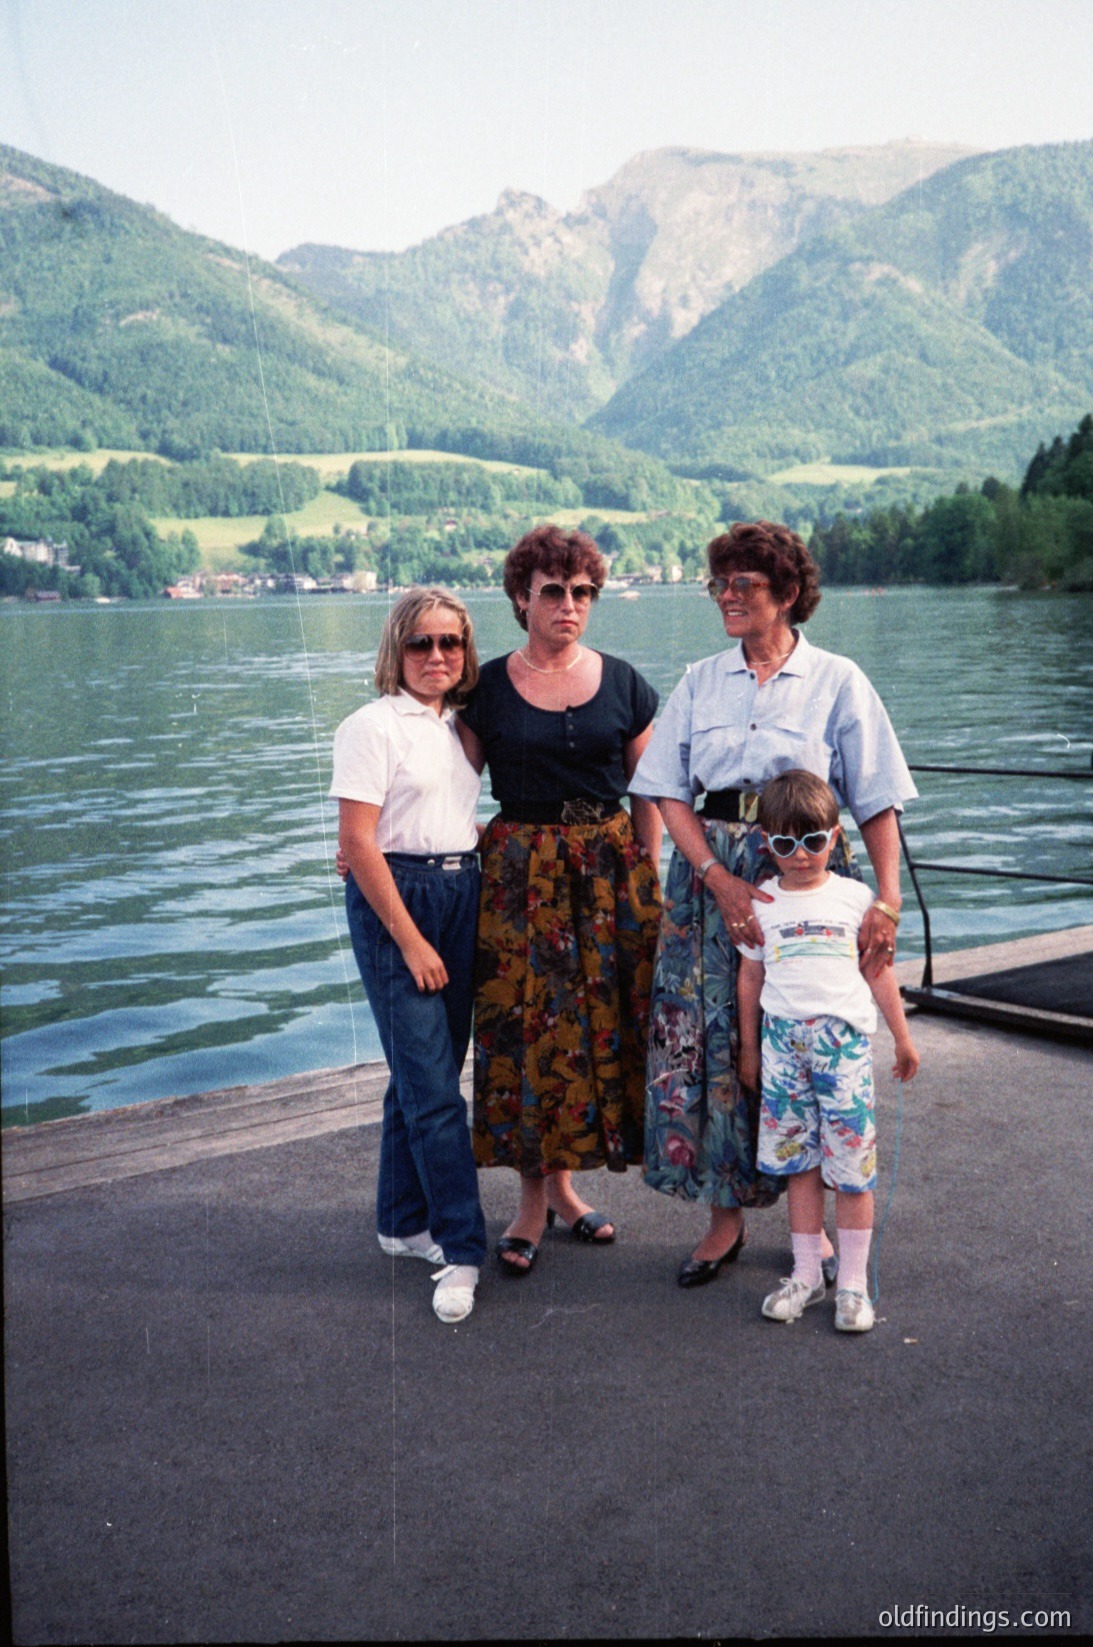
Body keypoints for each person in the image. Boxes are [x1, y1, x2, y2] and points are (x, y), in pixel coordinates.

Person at [630, 520, 917, 1288]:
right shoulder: (700, 679)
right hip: (708, 878)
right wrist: (716, 879)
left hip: (808, 873)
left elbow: (878, 798)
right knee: (709, 1038)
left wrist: (884, 901)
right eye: (718, 582)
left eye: (742, 583)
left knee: (805, 1034)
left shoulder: (838, 679)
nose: (725, 595)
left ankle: (812, 1225)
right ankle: (722, 1220)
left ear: (786, 595)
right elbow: (664, 786)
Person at [457, 524, 663, 1275]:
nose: (569, 605)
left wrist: (648, 871)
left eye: (582, 592)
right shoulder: (483, 688)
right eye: (553, 591)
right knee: (524, 1033)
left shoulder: (624, 682)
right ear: (521, 597)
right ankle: (532, 1202)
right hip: (520, 876)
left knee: (593, 1026)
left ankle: (571, 1192)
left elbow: (650, 789)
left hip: (610, 875)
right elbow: (452, 788)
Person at [331, 588, 488, 1325]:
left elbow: (449, 813)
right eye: (422, 643)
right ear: (397, 649)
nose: (436, 656)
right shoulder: (371, 725)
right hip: (402, 901)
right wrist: (411, 938)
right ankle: (461, 1249)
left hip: (463, 891)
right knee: (433, 1091)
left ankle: (400, 1221)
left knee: (422, 1072)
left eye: (450, 643)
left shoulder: (458, 727)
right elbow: (359, 841)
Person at [734, 770, 920, 1332]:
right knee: (799, 1165)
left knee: (853, 1167)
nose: (801, 855)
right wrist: (750, 1048)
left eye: (813, 841)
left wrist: (903, 1037)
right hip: (782, 1046)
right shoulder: (761, 903)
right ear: (768, 845)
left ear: (835, 838)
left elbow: (878, 972)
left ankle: (856, 1286)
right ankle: (807, 1273)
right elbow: (750, 978)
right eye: (786, 845)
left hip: (841, 1049)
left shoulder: (856, 898)